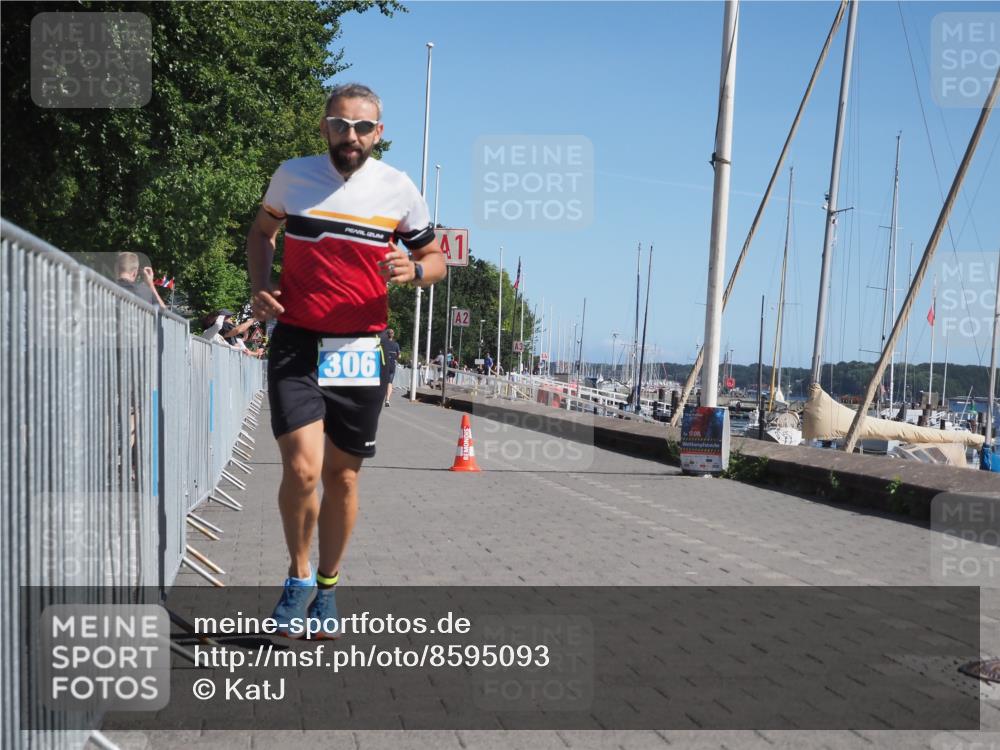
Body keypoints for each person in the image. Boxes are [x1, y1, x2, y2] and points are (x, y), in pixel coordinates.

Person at [246, 83, 446, 638]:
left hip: (359, 346)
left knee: (344, 477)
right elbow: (262, 233)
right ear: (324, 127)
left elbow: (435, 259)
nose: (350, 135)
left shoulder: (399, 188)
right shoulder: (292, 175)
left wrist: (416, 271)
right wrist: (261, 287)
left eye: (362, 127)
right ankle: (298, 576)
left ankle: (328, 589)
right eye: (340, 124)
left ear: (378, 133)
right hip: (298, 341)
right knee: (303, 468)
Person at [382, 328, 400, 406]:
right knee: (390, 383)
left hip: (383, 365)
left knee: (382, 382)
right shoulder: (396, 344)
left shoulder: (383, 343)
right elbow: (399, 356)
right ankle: (387, 400)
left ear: (386, 334)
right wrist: (395, 358)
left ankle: (380, 399)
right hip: (392, 365)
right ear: (393, 335)